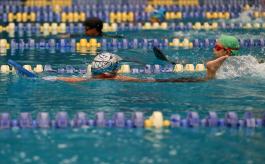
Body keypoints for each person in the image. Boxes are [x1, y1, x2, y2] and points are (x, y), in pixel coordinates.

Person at [44, 35, 240, 83]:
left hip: (166, 82)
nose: (213, 49)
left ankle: (209, 75)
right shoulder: (243, 65)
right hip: (167, 81)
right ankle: (208, 75)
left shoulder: (114, 78)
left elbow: (78, 80)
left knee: (197, 81)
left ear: (226, 51)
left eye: (217, 47)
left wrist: (50, 78)